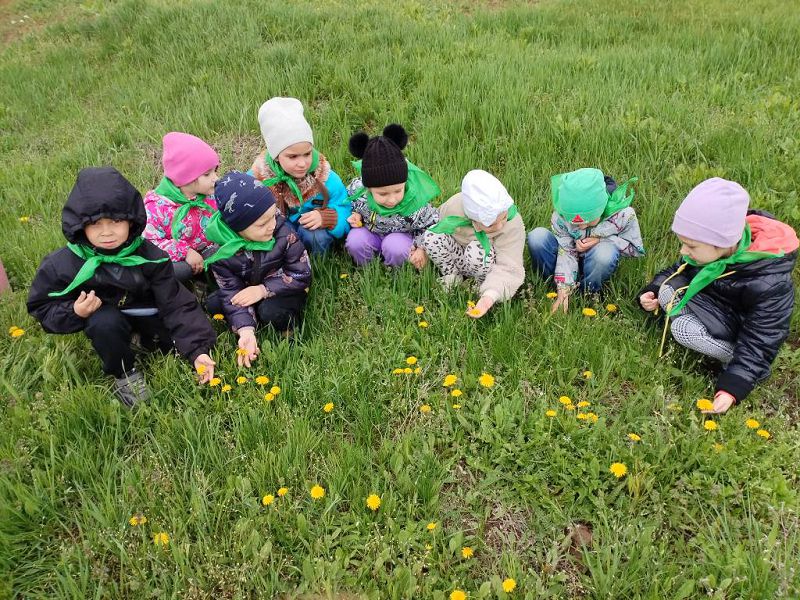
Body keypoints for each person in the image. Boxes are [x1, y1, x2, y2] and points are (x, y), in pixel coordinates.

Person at [27, 167, 217, 407]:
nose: (107, 232)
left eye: (116, 221)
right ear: (80, 224)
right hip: (108, 319)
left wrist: (198, 350)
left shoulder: (149, 255)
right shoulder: (63, 264)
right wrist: (75, 312)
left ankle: (142, 339)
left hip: (146, 312)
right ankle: (125, 373)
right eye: (95, 223)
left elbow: (176, 303)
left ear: (131, 219)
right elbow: (42, 305)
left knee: (175, 343)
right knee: (104, 323)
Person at [639, 178, 798, 413]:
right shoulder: (711, 248)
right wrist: (652, 290)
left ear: (723, 243)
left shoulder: (769, 283)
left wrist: (734, 386)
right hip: (713, 308)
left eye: (691, 246)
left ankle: (729, 357)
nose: (683, 251)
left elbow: (763, 337)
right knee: (665, 291)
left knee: (684, 330)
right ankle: (690, 324)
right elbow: (678, 270)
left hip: (739, 329)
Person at [527, 167, 644, 313]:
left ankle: (587, 292)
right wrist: (564, 288)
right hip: (565, 260)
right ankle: (553, 284)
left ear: (602, 207)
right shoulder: (560, 216)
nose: (582, 227)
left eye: (588, 222)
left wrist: (602, 240)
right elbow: (565, 251)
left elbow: (634, 248)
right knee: (537, 237)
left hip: (596, 263)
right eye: (575, 223)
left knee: (604, 253)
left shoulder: (623, 215)